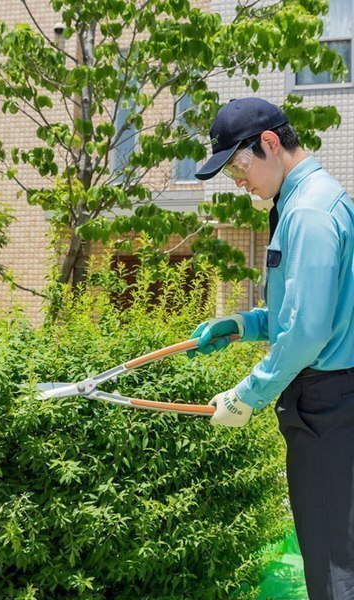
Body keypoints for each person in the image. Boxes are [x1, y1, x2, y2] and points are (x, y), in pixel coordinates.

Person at [189, 97, 354, 600]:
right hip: (332, 403)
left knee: (332, 570)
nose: (239, 181)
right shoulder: (314, 201)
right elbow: (303, 315)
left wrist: (248, 395)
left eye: (238, 166)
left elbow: (306, 334)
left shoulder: (308, 213)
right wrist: (240, 323)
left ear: (269, 143)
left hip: (327, 410)